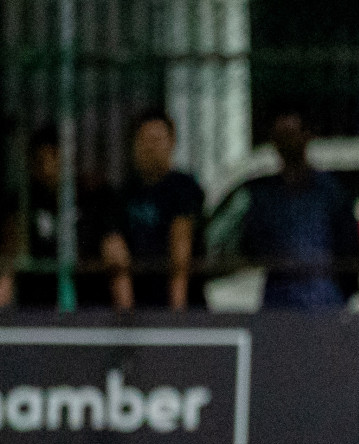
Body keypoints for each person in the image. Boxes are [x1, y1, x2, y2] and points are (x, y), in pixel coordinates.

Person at [239, 108, 359, 310]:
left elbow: (349, 248)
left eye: (292, 134)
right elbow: (251, 246)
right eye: (281, 136)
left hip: (324, 303)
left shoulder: (330, 192)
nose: (287, 142)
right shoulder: (265, 196)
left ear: (307, 136)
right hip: (279, 302)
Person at [0, 124, 128, 310]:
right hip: (36, 307)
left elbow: (115, 252)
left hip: (92, 305)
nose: (47, 167)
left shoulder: (97, 198)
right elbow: (10, 261)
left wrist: (125, 314)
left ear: (69, 160)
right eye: (40, 160)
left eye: (54, 157)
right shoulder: (23, 202)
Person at [117, 110, 205, 310]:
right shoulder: (124, 193)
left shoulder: (184, 187)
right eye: (145, 140)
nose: (151, 147)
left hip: (183, 305)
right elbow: (115, 247)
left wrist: (176, 314)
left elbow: (181, 242)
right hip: (139, 305)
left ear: (172, 142)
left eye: (157, 139)